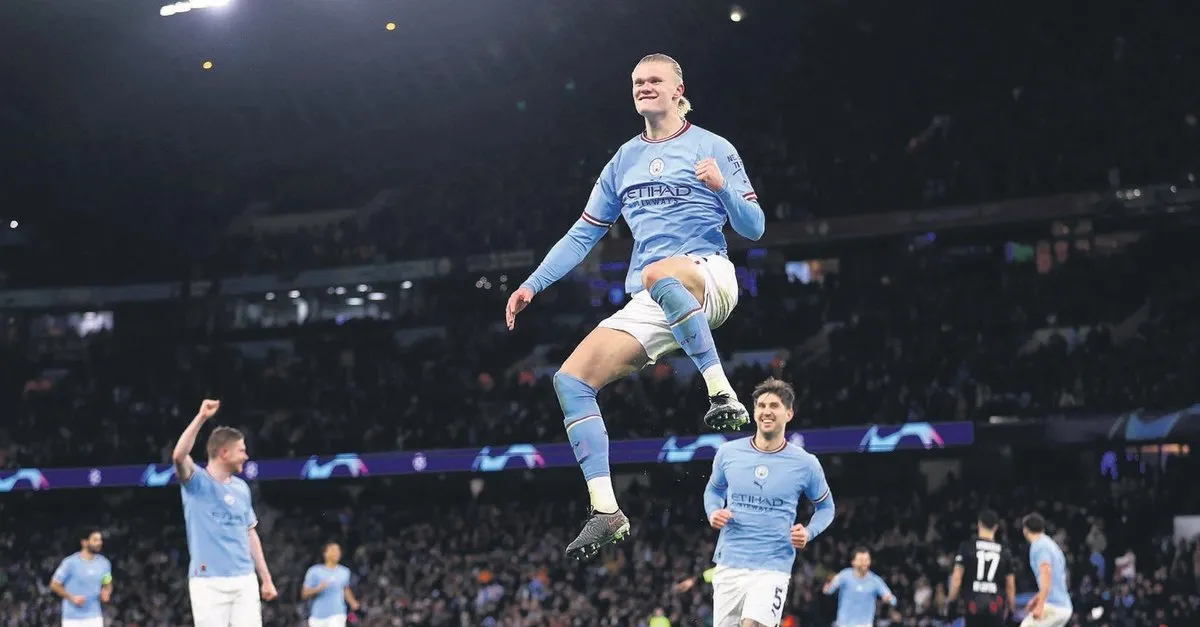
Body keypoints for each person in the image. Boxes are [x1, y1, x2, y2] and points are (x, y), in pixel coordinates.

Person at [506, 52, 766, 560]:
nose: (644, 87)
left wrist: (722, 189)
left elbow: (754, 228)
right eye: (637, 82)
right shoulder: (622, 160)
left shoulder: (713, 147)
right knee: (570, 380)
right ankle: (606, 510)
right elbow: (582, 234)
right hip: (657, 295)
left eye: (654, 80)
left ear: (677, 90)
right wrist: (532, 285)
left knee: (656, 271)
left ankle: (721, 393)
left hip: (709, 276)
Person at [704, 378, 835, 627]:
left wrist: (809, 531)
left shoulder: (806, 463)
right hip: (729, 562)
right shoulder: (728, 453)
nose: (766, 411)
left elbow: (826, 508)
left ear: (789, 413)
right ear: (754, 412)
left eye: (774, 406)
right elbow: (713, 490)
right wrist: (713, 511)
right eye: (761, 406)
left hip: (773, 565)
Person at [172, 399, 278, 627]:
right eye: (242, 450)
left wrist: (266, 578)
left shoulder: (241, 488)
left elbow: (250, 533)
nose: (246, 456)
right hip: (208, 582)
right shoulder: (196, 482)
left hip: (244, 579)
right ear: (224, 453)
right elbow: (179, 456)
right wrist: (201, 417)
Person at [948, 509, 1017, 627]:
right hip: (996, 607)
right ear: (996, 527)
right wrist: (1011, 610)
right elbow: (1010, 585)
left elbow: (956, 579)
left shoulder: (967, 547)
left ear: (979, 524)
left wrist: (951, 604)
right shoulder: (1004, 552)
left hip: (973, 607)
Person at [49, 528, 112, 627]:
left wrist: (106, 592)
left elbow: (107, 583)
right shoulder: (70, 563)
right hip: (72, 618)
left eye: (100, 540)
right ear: (84, 542)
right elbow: (54, 584)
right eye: (95, 540)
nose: (99, 543)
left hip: (94, 616)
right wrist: (71, 598)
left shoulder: (104, 563)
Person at [1020, 513, 1073, 627]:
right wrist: (1037, 598)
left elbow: (1046, 573)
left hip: (1054, 606)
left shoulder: (1039, 546)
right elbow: (1054, 581)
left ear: (1025, 530)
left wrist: (1040, 605)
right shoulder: (1050, 545)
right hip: (1064, 606)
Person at [823, 547, 896, 627]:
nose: (864, 563)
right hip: (843, 624)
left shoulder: (875, 580)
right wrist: (827, 587)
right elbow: (829, 590)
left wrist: (888, 599)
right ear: (853, 562)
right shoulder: (844, 575)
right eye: (861, 560)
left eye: (867, 560)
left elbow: (893, 600)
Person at [301, 542, 361, 627]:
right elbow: (304, 594)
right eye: (333, 550)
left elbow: (345, 589)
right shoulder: (314, 571)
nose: (336, 553)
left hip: (337, 614)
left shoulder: (344, 572)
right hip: (317, 616)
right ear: (325, 553)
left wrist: (353, 602)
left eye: (338, 550)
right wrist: (318, 589)